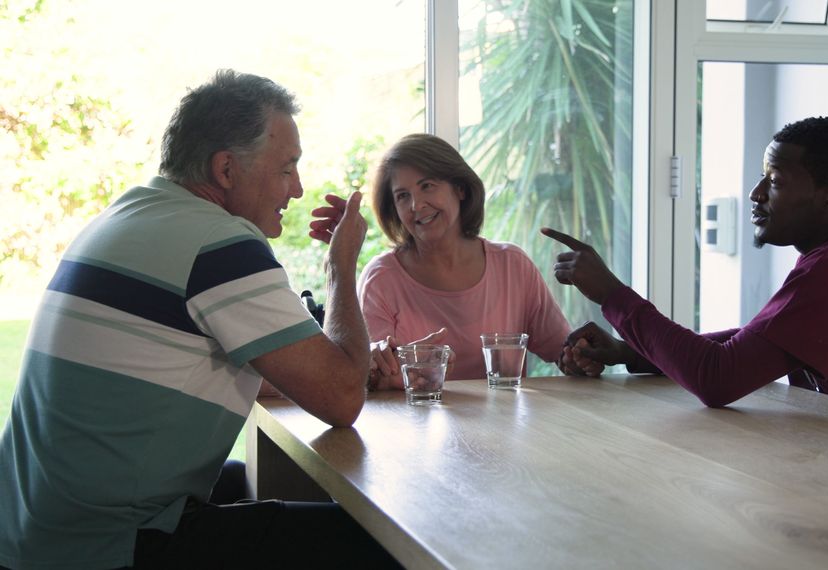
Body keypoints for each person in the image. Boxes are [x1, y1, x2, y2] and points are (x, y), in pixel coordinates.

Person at [0, 70, 399, 569]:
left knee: (245, 481)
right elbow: (341, 398)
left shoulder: (127, 215)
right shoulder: (219, 244)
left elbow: (266, 374)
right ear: (226, 169)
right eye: (287, 168)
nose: (296, 189)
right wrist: (341, 267)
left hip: (34, 529)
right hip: (103, 547)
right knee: (381, 543)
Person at [542, 116, 828, 432]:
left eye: (775, 181)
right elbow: (761, 346)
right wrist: (631, 353)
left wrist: (613, 295)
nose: (755, 193)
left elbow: (719, 377)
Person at [361, 134, 570, 388]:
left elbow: (564, 352)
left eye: (427, 186)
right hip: (414, 426)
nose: (417, 205)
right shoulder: (381, 279)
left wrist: (582, 354)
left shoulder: (512, 266)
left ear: (460, 188)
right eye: (403, 196)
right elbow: (370, 379)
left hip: (505, 425)